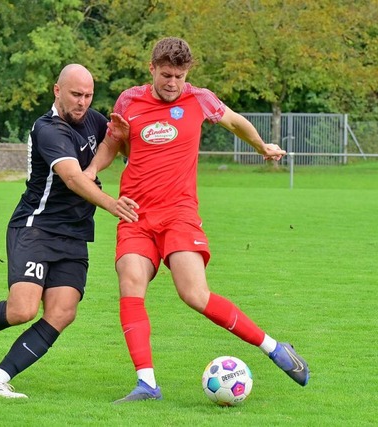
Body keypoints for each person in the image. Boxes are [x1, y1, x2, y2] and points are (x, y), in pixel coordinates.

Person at [86, 37, 310, 403]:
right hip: (135, 213)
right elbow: (113, 142)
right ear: (152, 69)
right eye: (166, 75)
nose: (172, 83)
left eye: (179, 76)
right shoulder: (128, 100)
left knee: (193, 294)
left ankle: (274, 347)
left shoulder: (200, 99)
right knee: (130, 283)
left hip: (179, 213)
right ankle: (147, 384)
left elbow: (235, 122)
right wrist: (91, 170)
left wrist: (262, 147)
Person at [0, 64, 138, 399]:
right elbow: (72, 178)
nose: (82, 102)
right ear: (57, 90)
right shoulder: (47, 128)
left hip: (75, 233)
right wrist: (111, 204)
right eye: (76, 94)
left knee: (63, 312)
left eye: (88, 95)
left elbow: (121, 152)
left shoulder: (93, 120)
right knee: (22, 309)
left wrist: (125, 137)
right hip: (37, 227)